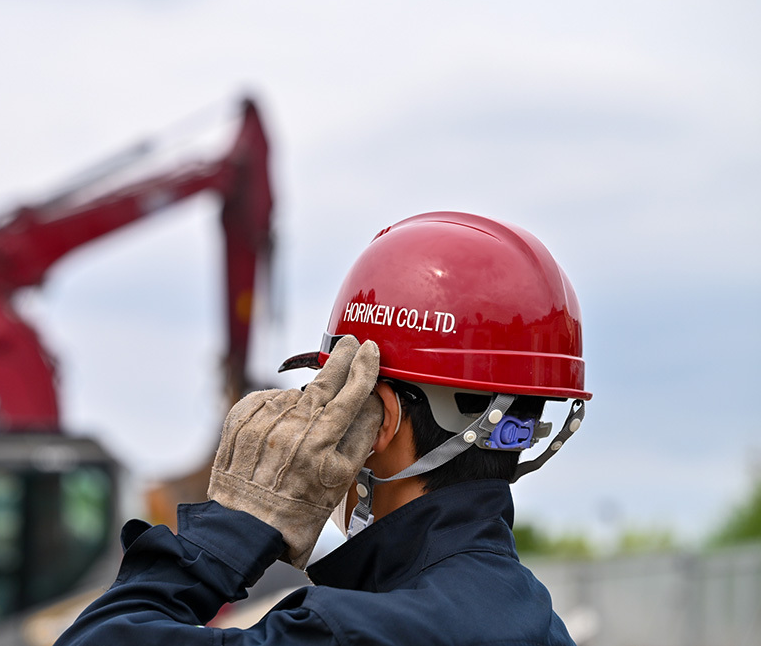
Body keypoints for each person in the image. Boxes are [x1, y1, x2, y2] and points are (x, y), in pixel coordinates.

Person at [55, 211, 589, 645]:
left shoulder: (353, 632)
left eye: (326, 393)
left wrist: (229, 529)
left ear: (378, 418)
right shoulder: (539, 623)